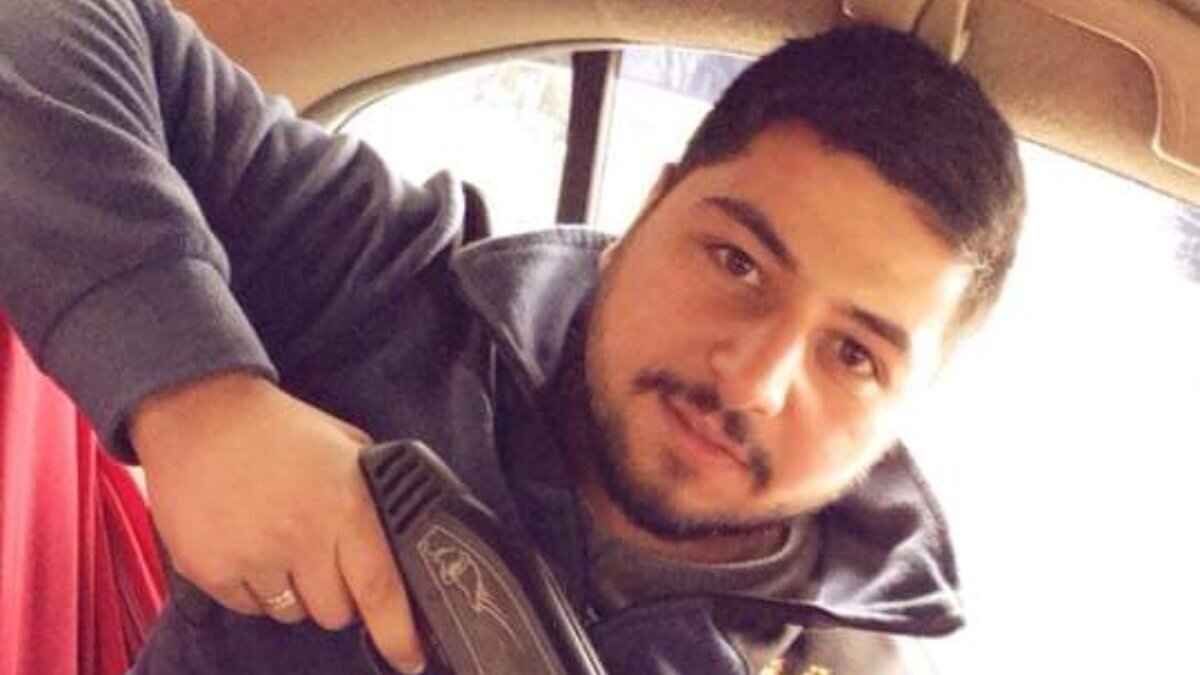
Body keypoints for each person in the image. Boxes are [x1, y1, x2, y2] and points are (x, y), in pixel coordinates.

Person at [0, 0, 1025, 672]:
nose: (754, 378)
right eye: (737, 262)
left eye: (853, 355)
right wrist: (197, 398)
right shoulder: (397, 285)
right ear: (651, 205)